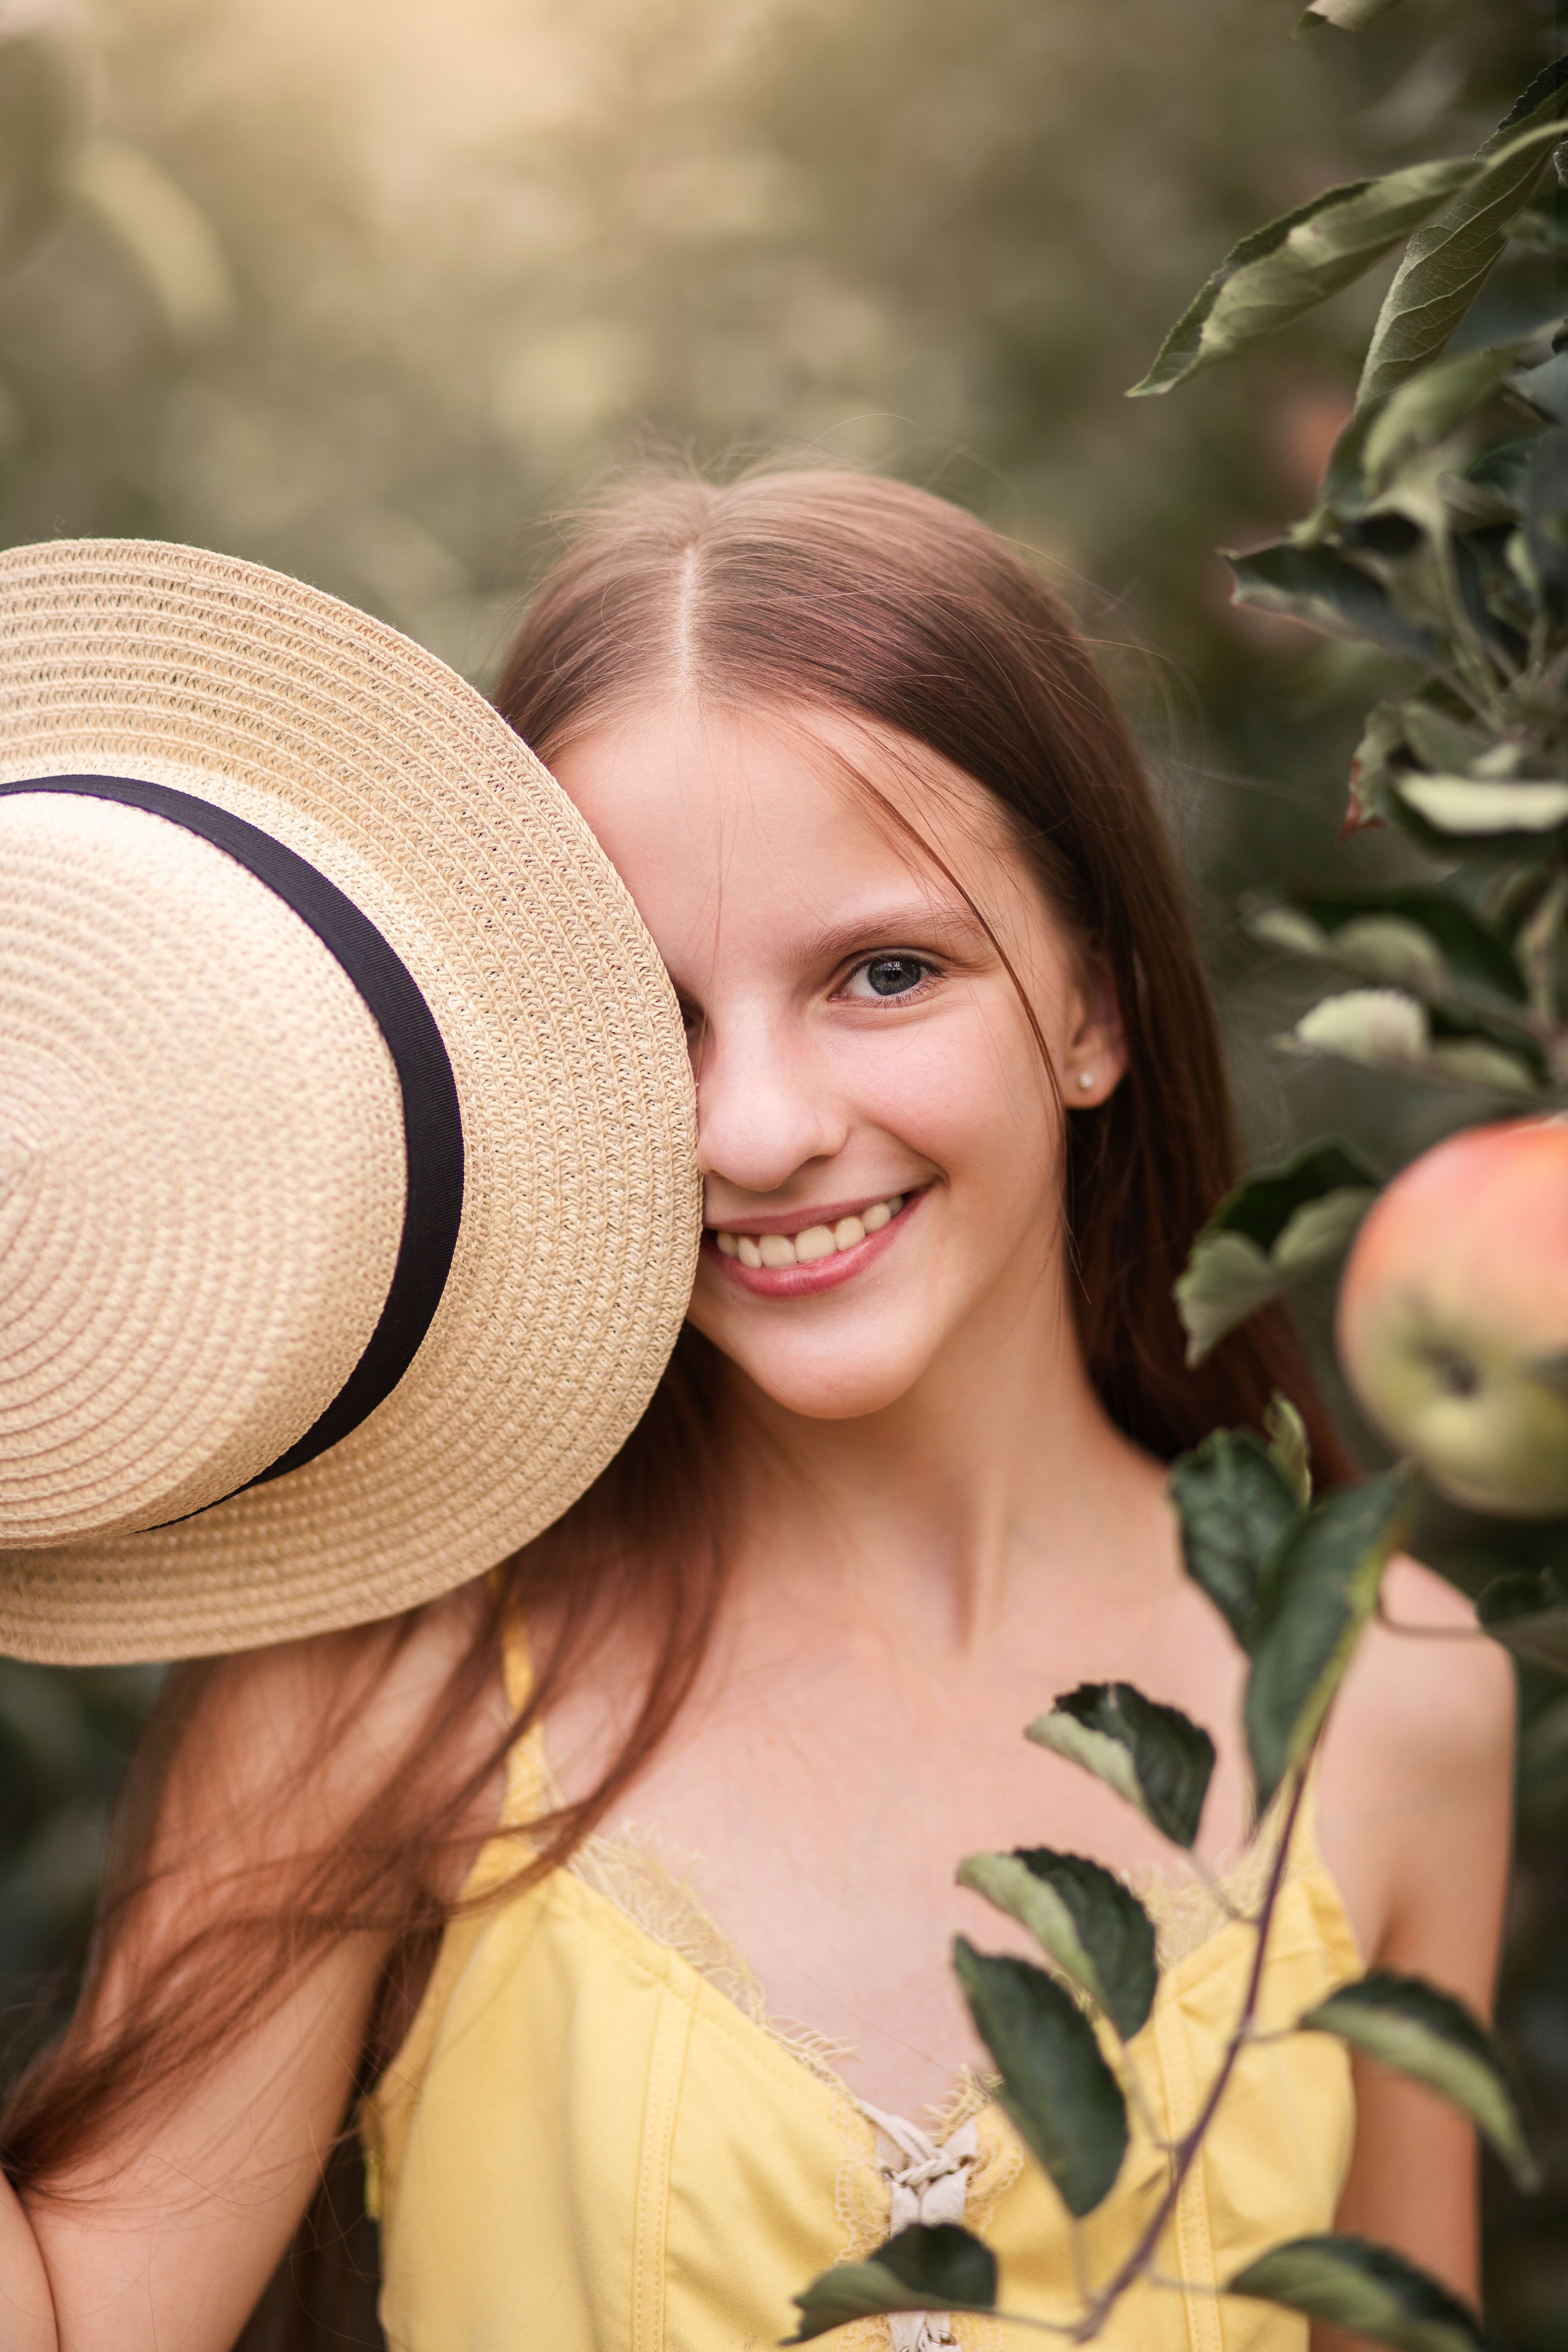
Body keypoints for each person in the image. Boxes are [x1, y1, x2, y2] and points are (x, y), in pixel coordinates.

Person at [0, 473, 1512, 2352]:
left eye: (886, 973)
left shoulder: (1386, 1699)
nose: (757, 1130)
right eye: (653, 1018)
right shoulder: (389, 1688)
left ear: (1093, 1009)